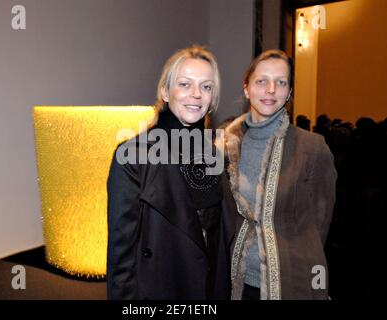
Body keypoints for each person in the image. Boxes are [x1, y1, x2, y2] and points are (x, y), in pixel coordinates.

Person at [106, 45, 236, 300]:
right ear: (165, 91)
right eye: (185, 84)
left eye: (207, 87)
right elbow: (121, 256)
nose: (197, 95)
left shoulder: (215, 157)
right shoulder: (133, 155)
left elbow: (217, 241)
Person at [222, 49, 337, 299]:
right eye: (261, 81)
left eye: (281, 82)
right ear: (246, 88)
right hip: (236, 282)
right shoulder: (228, 146)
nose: (271, 89)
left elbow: (318, 226)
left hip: (291, 282)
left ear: (289, 93)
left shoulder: (312, 147)